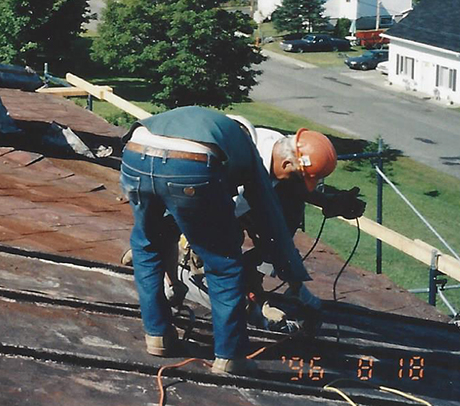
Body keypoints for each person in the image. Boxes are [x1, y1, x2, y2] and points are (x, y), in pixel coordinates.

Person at [120, 105, 335, 375]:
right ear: (287, 164)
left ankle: (158, 336)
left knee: (146, 243)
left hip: (135, 151)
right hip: (189, 164)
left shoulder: (234, 134)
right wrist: (293, 276)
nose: (293, 185)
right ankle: (230, 356)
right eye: (294, 178)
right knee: (223, 261)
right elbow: (271, 223)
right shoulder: (249, 153)